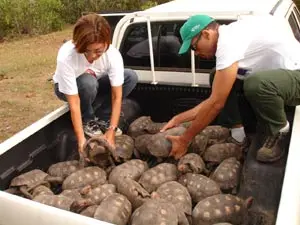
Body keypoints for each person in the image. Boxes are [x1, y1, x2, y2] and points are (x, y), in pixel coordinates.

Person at [161, 14, 300, 162]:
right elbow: (213, 99)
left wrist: (184, 140)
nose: (196, 54)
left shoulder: (228, 42)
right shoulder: (232, 34)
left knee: (256, 84)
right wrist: (179, 118)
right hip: (280, 77)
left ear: (206, 34)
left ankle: (279, 131)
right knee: (218, 76)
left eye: (194, 47)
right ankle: (239, 135)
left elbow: (216, 104)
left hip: (296, 77)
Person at [53, 14, 138, 154]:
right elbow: (74, 104)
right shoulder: (67, 56)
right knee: (88, 82)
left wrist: (112, 130)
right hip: (68, 88)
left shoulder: (112, 55)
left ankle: (104, 117)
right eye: (86, 51)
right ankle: (88, 119)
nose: (92, 56)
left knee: (130, 76)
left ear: (107, 43)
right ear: (78, 44)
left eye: (98, 51)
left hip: (95, 83)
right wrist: (81, 140)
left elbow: (117, 97)